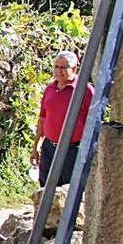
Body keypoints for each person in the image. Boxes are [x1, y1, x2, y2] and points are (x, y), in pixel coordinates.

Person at [31, 50, 94, 187]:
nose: (58, 71)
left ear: (74, 69)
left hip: (72, 151)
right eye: (56, 67)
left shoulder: (85, 90)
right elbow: (42, 119)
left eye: (63, 68)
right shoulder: (50, 89)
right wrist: (35, 147)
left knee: (69, 190)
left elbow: (94, 122)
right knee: (45, 188)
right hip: (49, 148)